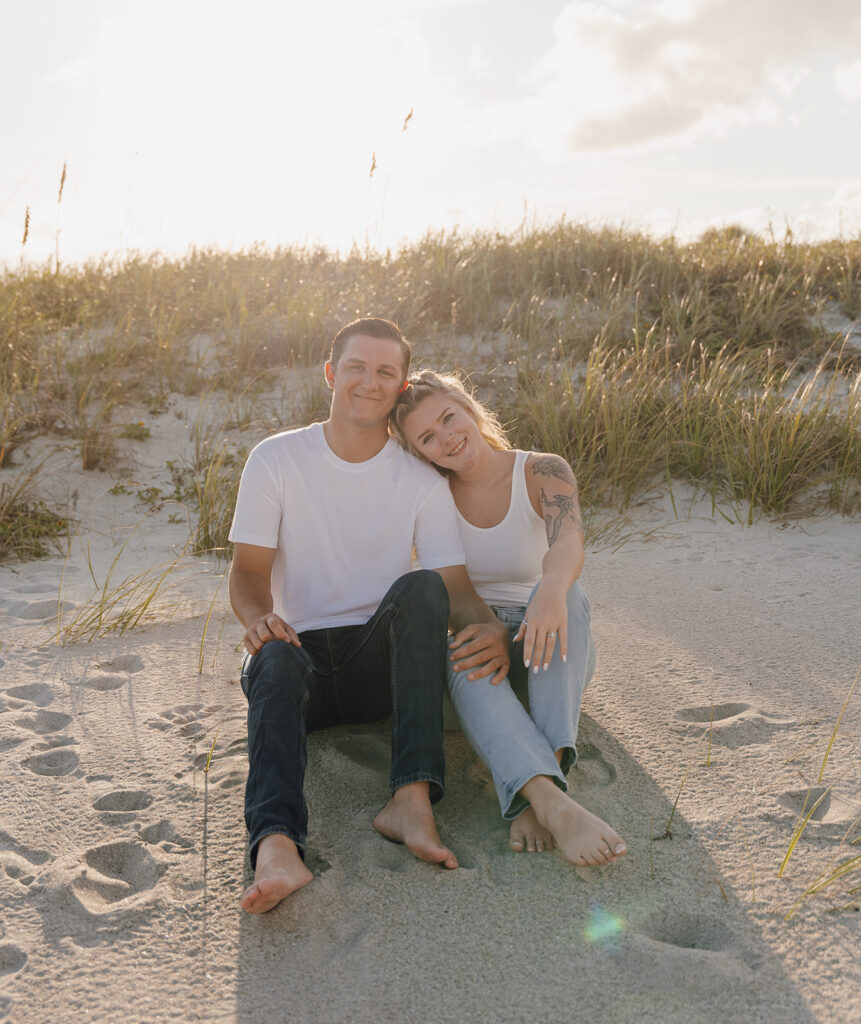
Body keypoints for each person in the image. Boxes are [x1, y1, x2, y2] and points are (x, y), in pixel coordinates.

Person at [227, 319, 510, 914]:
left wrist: (488, 627)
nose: (369, 381)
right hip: (295, 665)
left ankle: (409, 801)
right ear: (332, 373)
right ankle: (276, 845)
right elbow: (248, 570)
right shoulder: (276, 458)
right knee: (273, 655)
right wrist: (257, 619)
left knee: (421, 588)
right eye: (356, 367)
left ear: (400, 383)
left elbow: (454, 591)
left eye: (386, 371)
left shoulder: (419, 480)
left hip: (378, 671)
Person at [390, 369, 627, 868]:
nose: (447, 438)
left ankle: (541, 779)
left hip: (553, 639)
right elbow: (452, 590)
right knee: (459, 648)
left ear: (468, 407)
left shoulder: (542, 470)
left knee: (569, 595)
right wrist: (490, 628)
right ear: (421, 453)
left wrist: (552, 589)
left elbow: (568, 541)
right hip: (481, 656)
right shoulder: (432, 499)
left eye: (449, 418)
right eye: (428, 438)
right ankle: (550, 802)